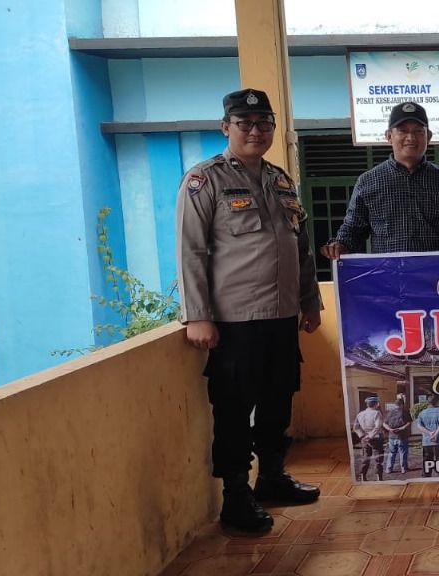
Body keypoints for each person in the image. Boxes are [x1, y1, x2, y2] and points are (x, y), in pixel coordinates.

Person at [176, 88, 322, 533]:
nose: (256, 131)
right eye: (245, 123)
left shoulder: (281, 180)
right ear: (227, 128)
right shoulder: (204, 180)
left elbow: (301, 248)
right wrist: (197, 314)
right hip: (234, 320)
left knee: (279, 400)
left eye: (264, 123)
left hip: (281, 315)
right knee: (234, 411)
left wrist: (309, 301)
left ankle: (272, 477)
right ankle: (236, 496)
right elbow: (190, 249)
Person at [319, 101, 439, 258]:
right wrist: (340, 245)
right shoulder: (368, 182)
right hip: (387, 273)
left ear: (428, 136)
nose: (411, 137)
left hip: (436, 272)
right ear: (389, 136)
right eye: (402, 131)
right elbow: (353, 229)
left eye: (418, 131)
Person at [353, 396, 386, 481]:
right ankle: (379, 478)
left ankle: (363, 477)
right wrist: (371, 435)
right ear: (376, 404)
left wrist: (362, 436)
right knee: (378, 458)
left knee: (365, 457)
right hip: (376, 438)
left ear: (367, 405)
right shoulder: (377, 413)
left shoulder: (360, 414)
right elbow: (377, 426)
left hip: (364, 439)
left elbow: (356, 427)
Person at [417, 397, 439, 478]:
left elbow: (419, 426)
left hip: (427, 441)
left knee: (427, 459)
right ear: (437, 402)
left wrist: (429, 433)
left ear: (428, 402)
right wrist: (436, 434)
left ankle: (427, 477)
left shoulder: (422, 413)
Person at [383, 397, 412, 474]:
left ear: (395, 404)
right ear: (402, 404)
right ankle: (403, 468)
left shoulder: (389, 413)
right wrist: (402, 428)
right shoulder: (405, 412)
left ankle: (389, 469)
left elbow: (384, 423)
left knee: (391, 453)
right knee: (403, 452)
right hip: (402, 435)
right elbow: (409, 422)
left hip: (392, 436)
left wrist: (389, 429)